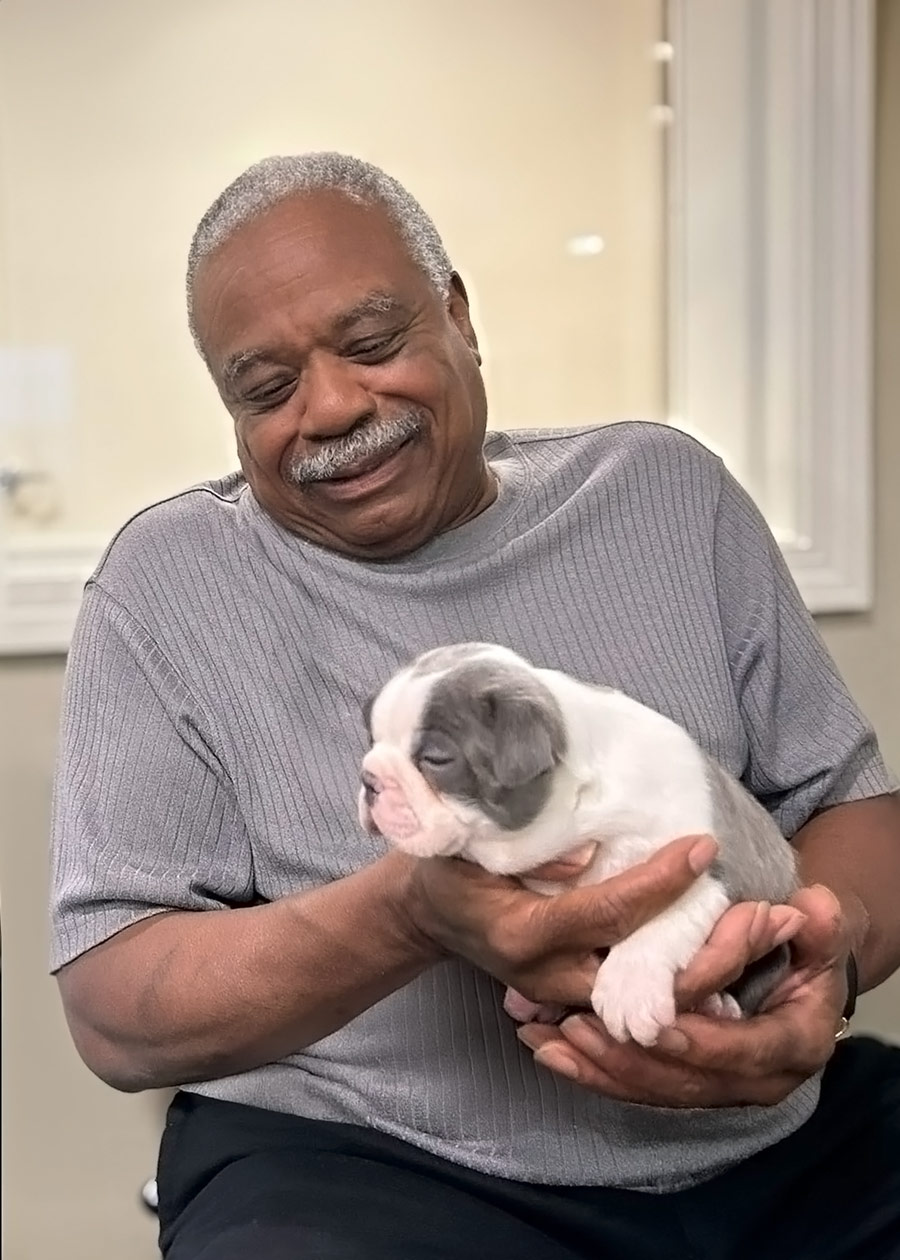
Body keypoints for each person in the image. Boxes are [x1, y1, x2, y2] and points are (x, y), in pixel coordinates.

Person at [50, 153, 900, 1260]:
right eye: (266, 389)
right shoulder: (166, 587)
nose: (335, 406)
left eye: (372, 344)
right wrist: (409, 914)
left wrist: (813, 972)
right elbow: (116, 1013)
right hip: (370, 1168)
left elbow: (857, 816)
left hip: (783, 1140)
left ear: (457, 312)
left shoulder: (666, 496)